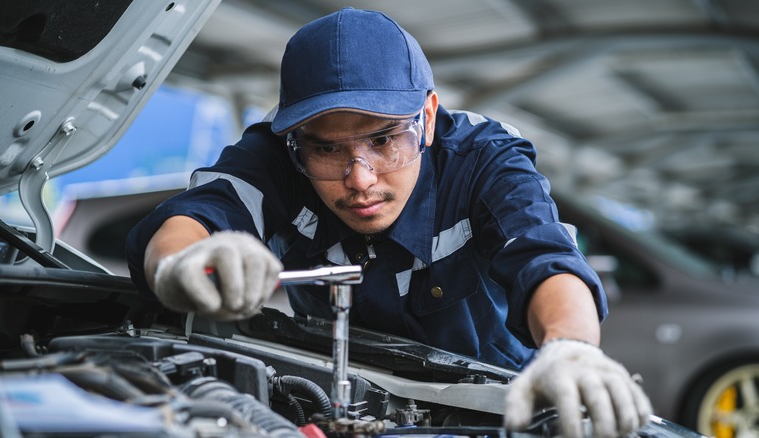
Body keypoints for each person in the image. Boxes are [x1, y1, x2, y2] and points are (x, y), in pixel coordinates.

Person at [126, 7, 651, 438]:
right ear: (296, 140)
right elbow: (195, 215)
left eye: (382, 139)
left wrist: (571, 347)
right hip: (334, 401)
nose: (359, 179)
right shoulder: (277, 155)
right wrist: (181, 263)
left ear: (426, 116)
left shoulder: (483, 158)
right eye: (327, 149)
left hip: (495, 410)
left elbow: (545, 255)